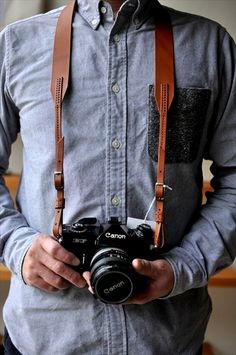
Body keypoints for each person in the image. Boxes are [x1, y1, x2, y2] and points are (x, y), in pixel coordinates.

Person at [0, 0, 236, 354]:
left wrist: (183, 265)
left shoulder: (209, 45)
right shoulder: (18, 43)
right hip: (44, 336)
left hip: (167, 339)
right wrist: (18, 247)